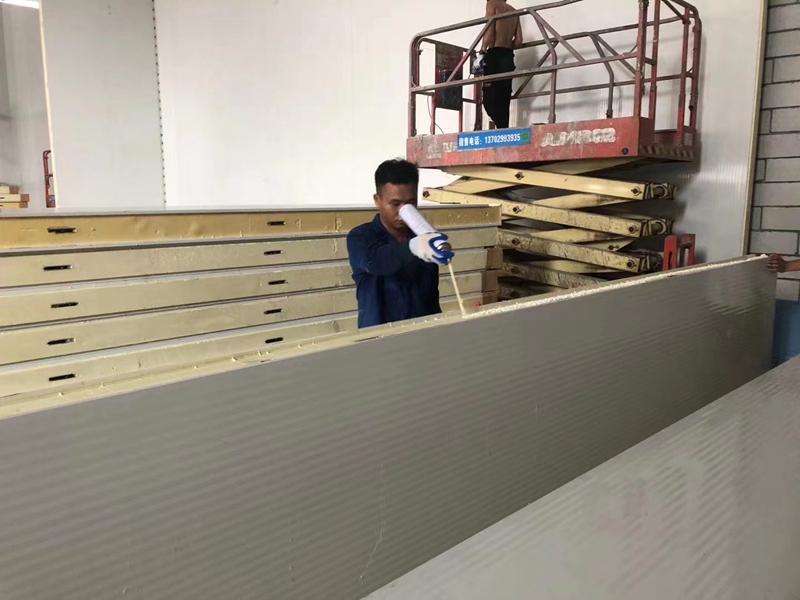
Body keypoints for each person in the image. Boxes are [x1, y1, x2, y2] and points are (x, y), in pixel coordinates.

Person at [347, 159, 454, 329]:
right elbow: (377, 262)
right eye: (395, 204)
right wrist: (414, 247)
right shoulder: (361, 237)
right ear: (377, 200)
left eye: (410, 203)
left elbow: (431, 299)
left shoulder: (424, 239)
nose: (403, 212)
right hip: (378, 339)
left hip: (421, 336)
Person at [478, 0, 523, 129]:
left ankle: (498, 127)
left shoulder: (492, 4)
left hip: (495, 55)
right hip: (507, 56)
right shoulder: (514, 11)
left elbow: (489, 31)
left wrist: (482, 51)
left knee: (489, 99)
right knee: (503, 98)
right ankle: (502, 128)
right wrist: (506, 46)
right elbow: (519, 41)